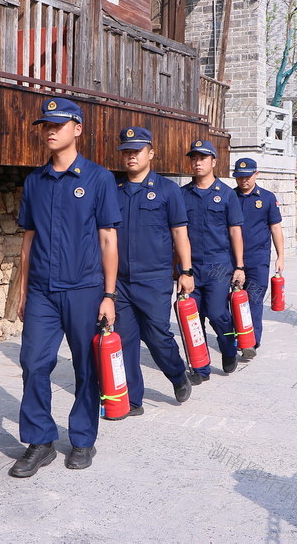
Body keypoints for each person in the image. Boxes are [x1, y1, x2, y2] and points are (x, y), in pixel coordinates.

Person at [10, 97, 121, 477]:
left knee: (86, 367)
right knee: (32, 362)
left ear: (77, 128)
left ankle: (83, 439)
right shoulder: (34, 182)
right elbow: (27, 241)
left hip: (85, 289)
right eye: (46, 125)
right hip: (42, 290)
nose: (51, 130)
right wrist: (23, 292)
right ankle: (40, 440)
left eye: (59, 124)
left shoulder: (98, 178)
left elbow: (108, 239)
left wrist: (109, 295)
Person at [112, 127, 194, 418]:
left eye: (137, 150)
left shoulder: (167, 190)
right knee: (124, 340)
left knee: (158, 334)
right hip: (120, 281)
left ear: (151, 153)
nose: (131, 155)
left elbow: (180, 234)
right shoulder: (114, 189)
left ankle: (177, 374)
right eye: (126, 151)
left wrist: (186, 271)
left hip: (155, 278)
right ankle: (133, 399)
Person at [181, 140, 245, 381]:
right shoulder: (182, 195)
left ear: (213, 162)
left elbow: (235, 232)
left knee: (218, 314)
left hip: (219, 265)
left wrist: (239, 266)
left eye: (203, 158)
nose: (198, 163)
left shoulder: (227, 194)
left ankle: (229, 350)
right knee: (192, 318)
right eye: (194, 158)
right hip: (191, 267)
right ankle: (200, 368)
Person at [232, 158, 285, 357]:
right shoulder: (229, 197)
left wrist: (280, 256)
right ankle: (237, 336)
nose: (243, 180)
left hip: (258, 259)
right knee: (233, 300)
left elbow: (275, 228)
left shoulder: (268, 198)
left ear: (256, 174)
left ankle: (251, 342)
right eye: (239, 177)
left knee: (254, 299)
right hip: (231, 260)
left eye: (247, 176)